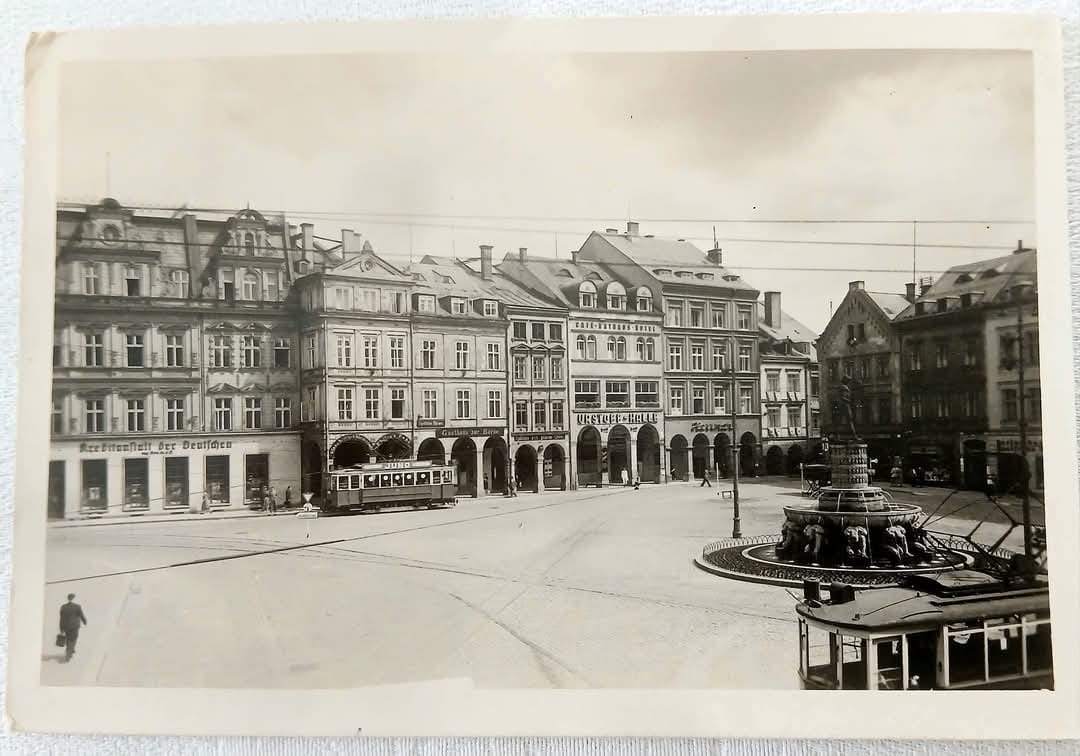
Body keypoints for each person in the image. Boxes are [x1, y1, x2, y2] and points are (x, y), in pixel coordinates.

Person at [59, 593, 87, 662]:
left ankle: (70, 650)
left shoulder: (63, 607)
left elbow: (61, 618)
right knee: (73, 639)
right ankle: (69, 654)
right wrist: (84, 621)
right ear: (73, 598)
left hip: (65, 626)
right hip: (74, 626)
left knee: (68, 639)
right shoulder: (77, 606)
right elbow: (81, 615)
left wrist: (61, 628)